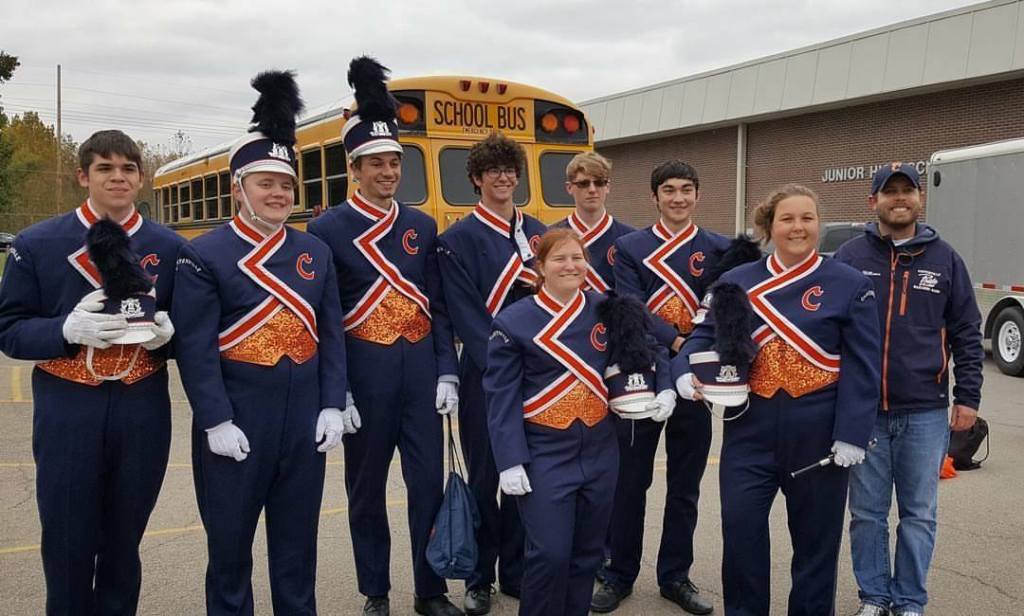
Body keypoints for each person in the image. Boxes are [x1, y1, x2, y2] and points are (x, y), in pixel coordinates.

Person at [172, 71, 349, 615]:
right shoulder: (207, 253)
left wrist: (331, 403)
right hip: (239, 420)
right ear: (239, 189)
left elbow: (331, 332)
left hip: (302, 423)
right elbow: (196, 348)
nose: (278, 194)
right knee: (229, 552)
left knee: (297, 551)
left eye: (286, 185)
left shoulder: (313, 251)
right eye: (265, 183)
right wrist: (215, 420)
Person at [674, 184, 881, 616]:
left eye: (807, 218)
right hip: (750, 427)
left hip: (820, 432)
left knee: (815, 545)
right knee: (742, 532)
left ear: (818, 225)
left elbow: (864, 365)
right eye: (787, 218)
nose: (798, 227)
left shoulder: (849, 283)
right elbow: (700, 337)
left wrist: (852, 434)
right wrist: (682, 376)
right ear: (769, 226)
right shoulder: (735, 281)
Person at [0, 129, 183, 614]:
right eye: (105, 168)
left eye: (127, 169)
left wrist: (172, 337)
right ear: (83, 175)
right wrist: (65, 328)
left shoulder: (168, 245)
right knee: (66, 540)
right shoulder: (38, 243)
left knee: (125, 540)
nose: (117, 178)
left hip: (142, 404)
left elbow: (192, 330)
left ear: (141, 178)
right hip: (68, 405)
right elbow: (9, 330)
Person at [307, 56, 462, 616]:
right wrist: (337, 391)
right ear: (354, 168)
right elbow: (325, 319)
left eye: (395, 162)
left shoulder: (421, 225)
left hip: (420, 374)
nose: (388, 173)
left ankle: (431, 588)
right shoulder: (326, 229)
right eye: (376, 164)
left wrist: (447, 368)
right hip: (364, 377)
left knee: (428, 487)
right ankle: (375, 589)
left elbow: (439, 306)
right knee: (365, 492)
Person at [483, 228, 674, 616]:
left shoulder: (609, 308)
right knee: (549, 555)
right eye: (559, 259)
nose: (570, 266)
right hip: (544, 451)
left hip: (601, 448)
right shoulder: (513, 320)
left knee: (588, 555)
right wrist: (509, 459)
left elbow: (654, 347)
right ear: (540, 267)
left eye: (577, 258)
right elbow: (500, 394)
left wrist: (666, 387)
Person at [835, 163, 984, 616]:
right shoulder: (849, 258)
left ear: (920, 199)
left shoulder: (945, 260)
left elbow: (966, 331)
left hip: (925, 411)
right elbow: (827, 331)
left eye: (907, 191)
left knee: (918, 515)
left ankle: (910, 601)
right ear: (872, 201)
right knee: (867, 515)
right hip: (865, 413)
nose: (899, 198)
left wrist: (968, 398)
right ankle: (874, 597)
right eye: (889, 192)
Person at [592, 160, 727, 614]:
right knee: (630, 482)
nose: (678, 198)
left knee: (685, 485)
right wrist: (675, 341)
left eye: (686, 189)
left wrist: (690, 352)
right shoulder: (629, 247)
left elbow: (719, 311)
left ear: (697, 195)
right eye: (668, 190)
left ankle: (675, 576)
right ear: (654, 197)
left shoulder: (717, 248)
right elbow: (629, 305)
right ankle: (618, 573)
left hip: (694, 382)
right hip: (640, 376)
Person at [437, 132, 546, 615]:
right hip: (487, 372)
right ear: (477, 179)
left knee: (528, 474)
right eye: (493, 171)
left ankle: (518, 570)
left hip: (539, 372)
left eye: (510, 170)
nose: (503, 178)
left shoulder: (540, 231)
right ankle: (479, 578)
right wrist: (502, 365)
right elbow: (464, 313)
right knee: (485, 476)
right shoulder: (455, 240)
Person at [552, 151, 634, 293]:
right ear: (569, 188)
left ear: (607, 186)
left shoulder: (631, 239)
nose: (592, 189)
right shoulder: (550, 236)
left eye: (599, 183)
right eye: (583, 184)